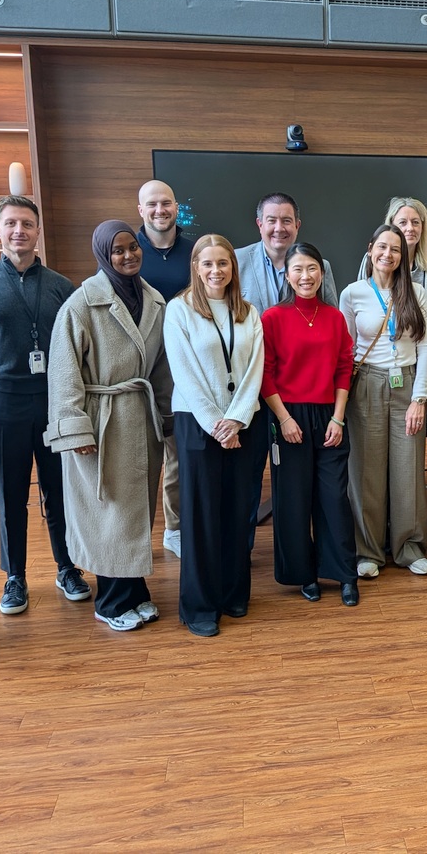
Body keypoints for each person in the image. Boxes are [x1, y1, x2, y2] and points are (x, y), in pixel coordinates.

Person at [0, 195, 88, 616]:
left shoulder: (61, 286)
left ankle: (67, 567)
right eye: (12, 223)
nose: (19, 231)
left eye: (27, 224)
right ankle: (14, 576)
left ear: (38, 231)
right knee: (9, 493)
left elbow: (78, 346)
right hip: (0, 402)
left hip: (54, 400)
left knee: (60, 491)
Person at [45, 220, 171, 632]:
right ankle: (111, 601)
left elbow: (161, 368)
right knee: (106, 512)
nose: (128, 255)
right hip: (101, 420)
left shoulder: (154, 301)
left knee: (134, 512)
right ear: (103, 254)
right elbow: (63, 373)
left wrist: (167, 416)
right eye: (118, 250)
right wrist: (75, 430)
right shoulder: (80, 305)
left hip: (141, 416)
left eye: (133, 247)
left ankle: (135, 592)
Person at [165, 235, 265, 636]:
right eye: (207, 263)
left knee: (239, 511)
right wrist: (216, 424)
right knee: (201, 515)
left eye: (223, 263)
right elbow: (184, 371)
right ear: (196, 267)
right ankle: (200, 605)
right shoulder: (180, 309)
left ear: (232, 268)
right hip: (197, 422)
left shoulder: (248, 312)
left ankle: (233, 592)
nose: (215, 271)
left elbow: (255, 368)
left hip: (243, 424)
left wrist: (236, 419)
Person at [235, 192, 339, 556]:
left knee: (299, 482)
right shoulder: (236, 262)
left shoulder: (319, 266)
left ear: (298, 225)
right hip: (249, 391)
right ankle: (241, 553)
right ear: (259, 224)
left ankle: (312, 556)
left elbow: (331, 325)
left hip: (299, 397)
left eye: (287, 221)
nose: (279, 228)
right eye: (272, 220)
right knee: (247, 477)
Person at [263, 242, 360, 606]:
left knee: (334, 498)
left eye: (312, 269)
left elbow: (344, 367)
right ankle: (303, 574)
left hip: (329, 416)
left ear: (322, 272)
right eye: (298, 269)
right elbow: (265, 373)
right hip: (288, 416)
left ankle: (345, 574)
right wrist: (284, 418)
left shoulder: (334, 317)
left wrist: (338, 416)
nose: (306, 276)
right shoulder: (272, 318)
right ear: (287, 276)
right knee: (294, 498)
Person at [341, 224, 427, 578]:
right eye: (382, 247)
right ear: (370, 249)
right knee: (366, 470)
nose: (388, 254)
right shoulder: (352, 294)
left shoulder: (416, 292)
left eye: (395, 249)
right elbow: (347, 350)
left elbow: (426, 346)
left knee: (408, 467)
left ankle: (409, 547)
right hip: (367, 384)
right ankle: (368, 550)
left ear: (403, 256)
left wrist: (419, 398)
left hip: (407, 385)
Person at [137, 179, 197, 558]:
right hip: (140, 368)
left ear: (176, 207)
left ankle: (174, 528)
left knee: (177, 455)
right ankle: (135, 534)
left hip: (182, 368)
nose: (160, 210)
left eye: (166, 203)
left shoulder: (194, 252)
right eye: (152, 204)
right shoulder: (127, 250)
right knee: (140, 457)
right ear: (140, 210)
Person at [357, 196, 427, 327]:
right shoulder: (375, 259)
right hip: (374, 335)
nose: (410, 228)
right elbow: (360, 304)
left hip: (416, 338)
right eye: (403, 222)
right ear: (391, 226)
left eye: (415, 222)